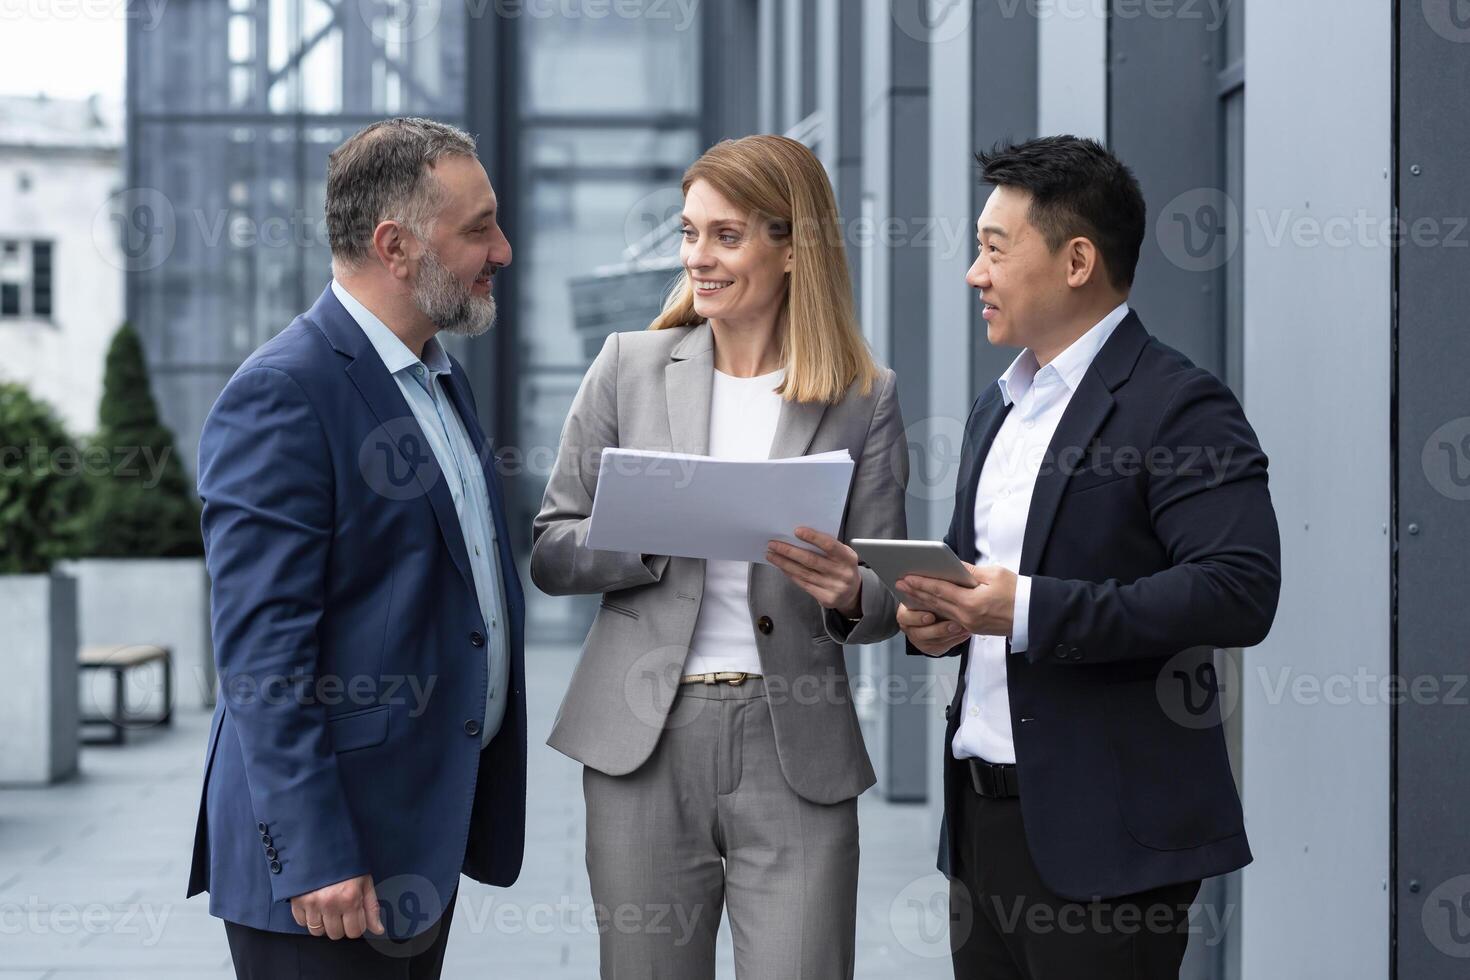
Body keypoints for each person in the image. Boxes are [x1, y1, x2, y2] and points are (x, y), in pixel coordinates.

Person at [895, 136, 1281, 978]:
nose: (974, 273)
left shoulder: (1180, 406)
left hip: (1107, 844)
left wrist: (1023, 610)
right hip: (981, 831)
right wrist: (938, 620)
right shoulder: (996, 410)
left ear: (1077, 260)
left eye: (995, 249)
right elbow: (981, 582)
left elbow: (1237, 590)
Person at [531, 134, 906, 978]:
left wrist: (852, 591)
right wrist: (644, 537)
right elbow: (551, 551)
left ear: (791, 246)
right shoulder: (626, 366)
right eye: (689, 232)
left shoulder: (863, 397)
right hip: (643, 739)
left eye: (725, 236)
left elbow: (892, 595)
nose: (698, 257)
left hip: (796, 745)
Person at [187, 117, 526, 979]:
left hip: (415, 839)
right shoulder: (282, 393)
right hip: (330, 872)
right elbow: (262, 653)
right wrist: (316, 854)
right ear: (396, 245)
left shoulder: (436, 378)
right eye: (479, 227)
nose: (504, 250)